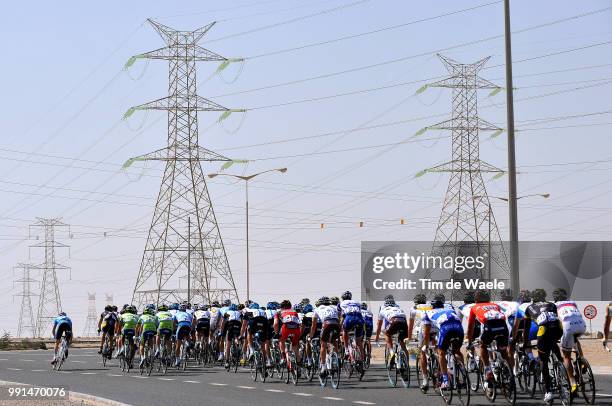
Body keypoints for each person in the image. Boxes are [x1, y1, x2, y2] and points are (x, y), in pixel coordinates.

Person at [466, 289, 512, 392]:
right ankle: (509, 374)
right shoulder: (495, 305)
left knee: (483, 345)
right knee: (504, 352)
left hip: (489, 328)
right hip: (503, 328)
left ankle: (488, 370)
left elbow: (470, 326)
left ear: (476, 299)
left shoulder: (474, 307)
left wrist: (469, 340)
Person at [522, 288, 562, 403]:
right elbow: (554, 319)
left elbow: (527, 327)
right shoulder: (552, 305)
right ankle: (561, 366)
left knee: (543, 361)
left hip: (544, 330)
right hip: (558, 329)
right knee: (553, 344)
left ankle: (548, 392)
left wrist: (525, 343)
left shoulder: (528, 308)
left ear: (532, 298)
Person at [421, 296, 464, 390]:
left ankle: (445, 381)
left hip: (446, 329)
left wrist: (425, 345)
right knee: (457, 351)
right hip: (459, 329)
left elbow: (426, 333)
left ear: (432, 306)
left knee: (441, 353)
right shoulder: (450, 310)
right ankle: (463, 375)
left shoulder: (428, 312)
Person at [553, 287, 587, 397]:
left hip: (568, 327)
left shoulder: (554, 306)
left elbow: (556, 322)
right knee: (575, 340)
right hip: (581, 325)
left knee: (566, 356)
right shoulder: (572, 302)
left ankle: (573, 383)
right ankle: (581, 360)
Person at [375, 295, 409, 378]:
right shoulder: (398, 307)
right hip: (404, 323)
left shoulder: (382, 309)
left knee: (387, 334)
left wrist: (377, 337)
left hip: (394, 321)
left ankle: (391, 351)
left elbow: (379, 326)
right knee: (402, 344)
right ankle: (406, 365)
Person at [407, 293, 432, 390]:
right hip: (434, 329)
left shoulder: (413, 308)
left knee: (421, 352)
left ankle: (425, 380)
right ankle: (434, 361)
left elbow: (411, 324)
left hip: (422, 330)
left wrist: (409, 338)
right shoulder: (430, 306)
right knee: (436, 348)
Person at [311, 296, 340, 377]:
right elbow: (340, 316)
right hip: (337, 324)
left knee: (323, 345)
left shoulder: (317, 309)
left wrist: (311, 335)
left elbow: (313, 325)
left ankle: (323, 367)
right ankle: (337, 359)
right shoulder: (333, 307)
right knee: (334, 342)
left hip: (327, 324)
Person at [339, 291, 365, 367]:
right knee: (359, 342)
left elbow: (340, 316)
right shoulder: (357, 302)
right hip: (360, 319)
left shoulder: (341, 303)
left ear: (343, 298)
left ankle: (347, 349)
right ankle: (362, 361)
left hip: (349, 319)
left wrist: (339, 326)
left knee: (345, 331)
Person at [275, 299, 301, 368]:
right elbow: (298, 322)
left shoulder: (278, 312)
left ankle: (283, 357)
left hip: (285, 328)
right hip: (296, 329)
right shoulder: (294, 311)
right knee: (295, 348)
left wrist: (276, 333)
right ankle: (298, 365)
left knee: (281, 340)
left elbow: (276, 324)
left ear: (282, 307)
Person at [221, 303, 242, 368]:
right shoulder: (239, 312)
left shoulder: (227, 312)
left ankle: (227, 361)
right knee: (236, 336)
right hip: (238, 325)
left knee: (228, 344)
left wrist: (222, 331)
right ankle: (237, 343)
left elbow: (223, 323)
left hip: (231, 325)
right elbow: (241, 321)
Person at [174, 303, 194, 367]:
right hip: (188, 326)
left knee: (178, 344)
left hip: (180, 326)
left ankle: (177, 361)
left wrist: (174, 330)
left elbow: (173, 323)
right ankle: (189, 344)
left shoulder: (176, 314)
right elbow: (192, 321)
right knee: (187, 334)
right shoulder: (189, 314)